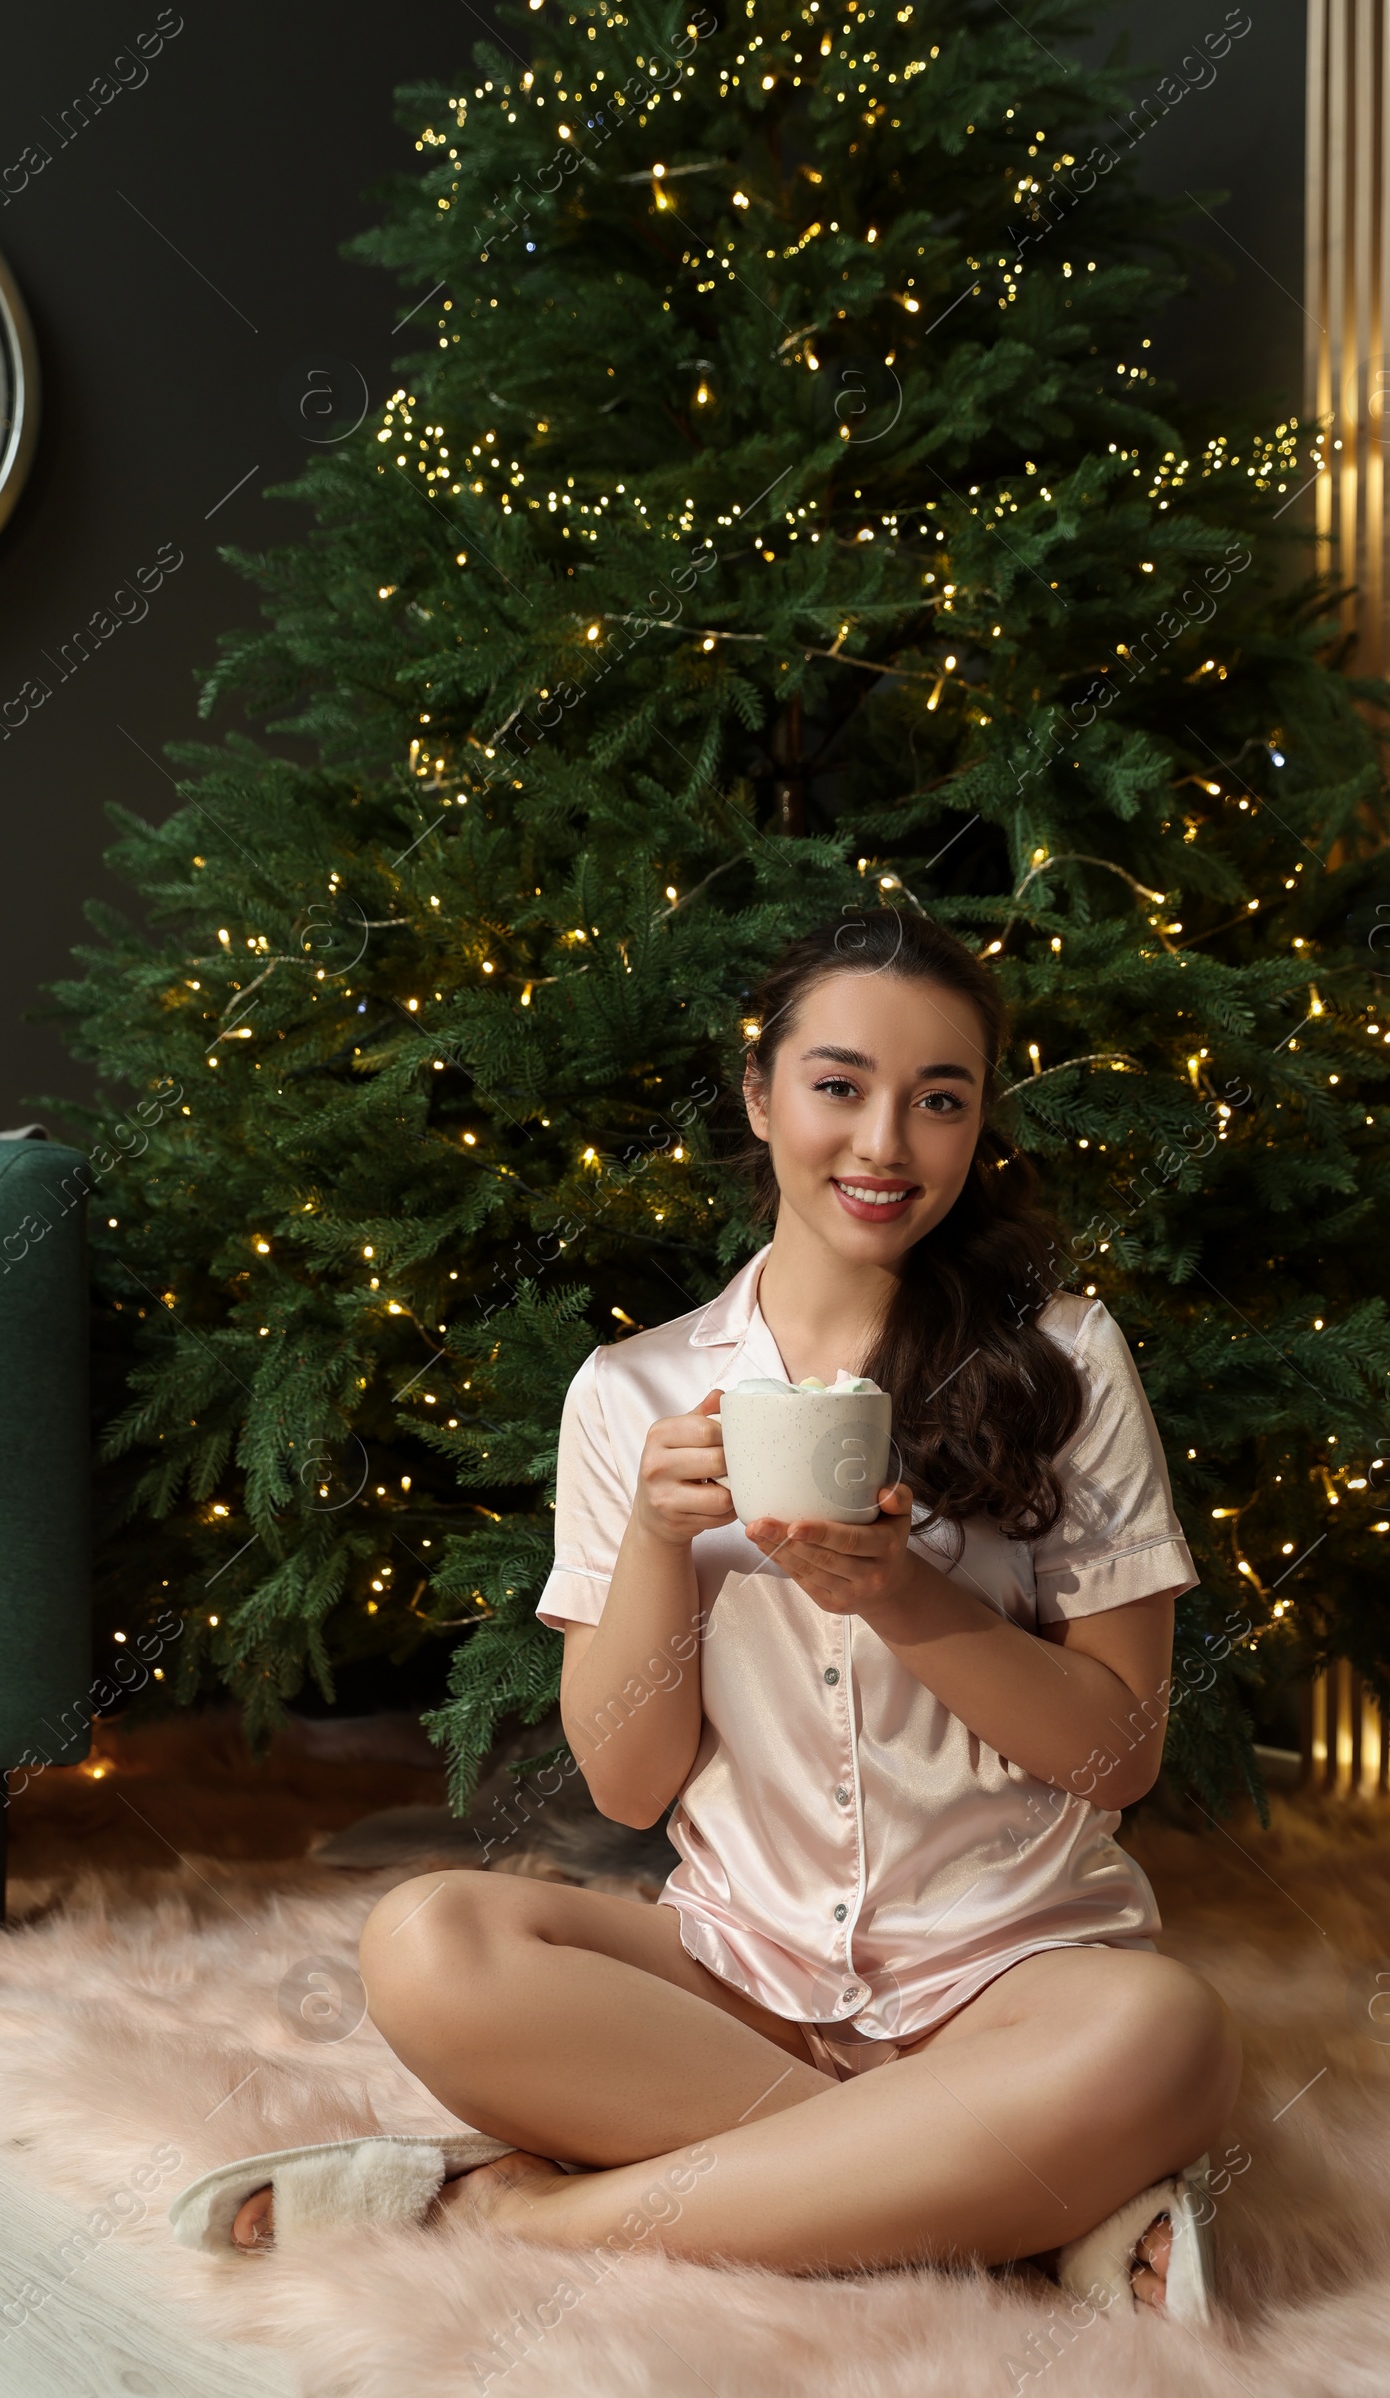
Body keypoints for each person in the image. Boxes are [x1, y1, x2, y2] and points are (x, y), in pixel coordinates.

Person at [248, 909, 1243, 2302]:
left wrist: (903, 1594)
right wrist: (659, 1539)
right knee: (428, 1941)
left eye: (938, 1100)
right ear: (762, 1093)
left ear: (977, 1123)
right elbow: (632, 1782)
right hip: (738, 1972)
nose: (885, 1143)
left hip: (1018, 1972)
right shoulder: (631, 1393)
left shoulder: (1064, 1356)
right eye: (840, 1085)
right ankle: (1011, 2199)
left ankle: (511, 2220)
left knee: (1169, 2036)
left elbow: (1119, 1753)